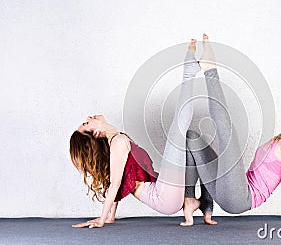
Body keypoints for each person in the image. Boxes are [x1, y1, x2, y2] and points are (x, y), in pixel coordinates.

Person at [181, 33, 281, 231]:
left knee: (227, 134)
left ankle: (210, 69)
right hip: (228, 192)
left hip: (240, 197)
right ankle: (195, 201)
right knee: (191, 138)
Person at [69, 39, 204, 228]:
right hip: (162, 197)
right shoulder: (117, 142)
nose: (89, 117)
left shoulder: (117, 141)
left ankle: (190, 201)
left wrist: (110, 217)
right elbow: (115, 184)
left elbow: (114, 182)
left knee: (187, 138)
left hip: (167, 194)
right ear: (96, 132)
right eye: (86, 123)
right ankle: (189, 72)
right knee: (178, 132)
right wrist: (102, 219)